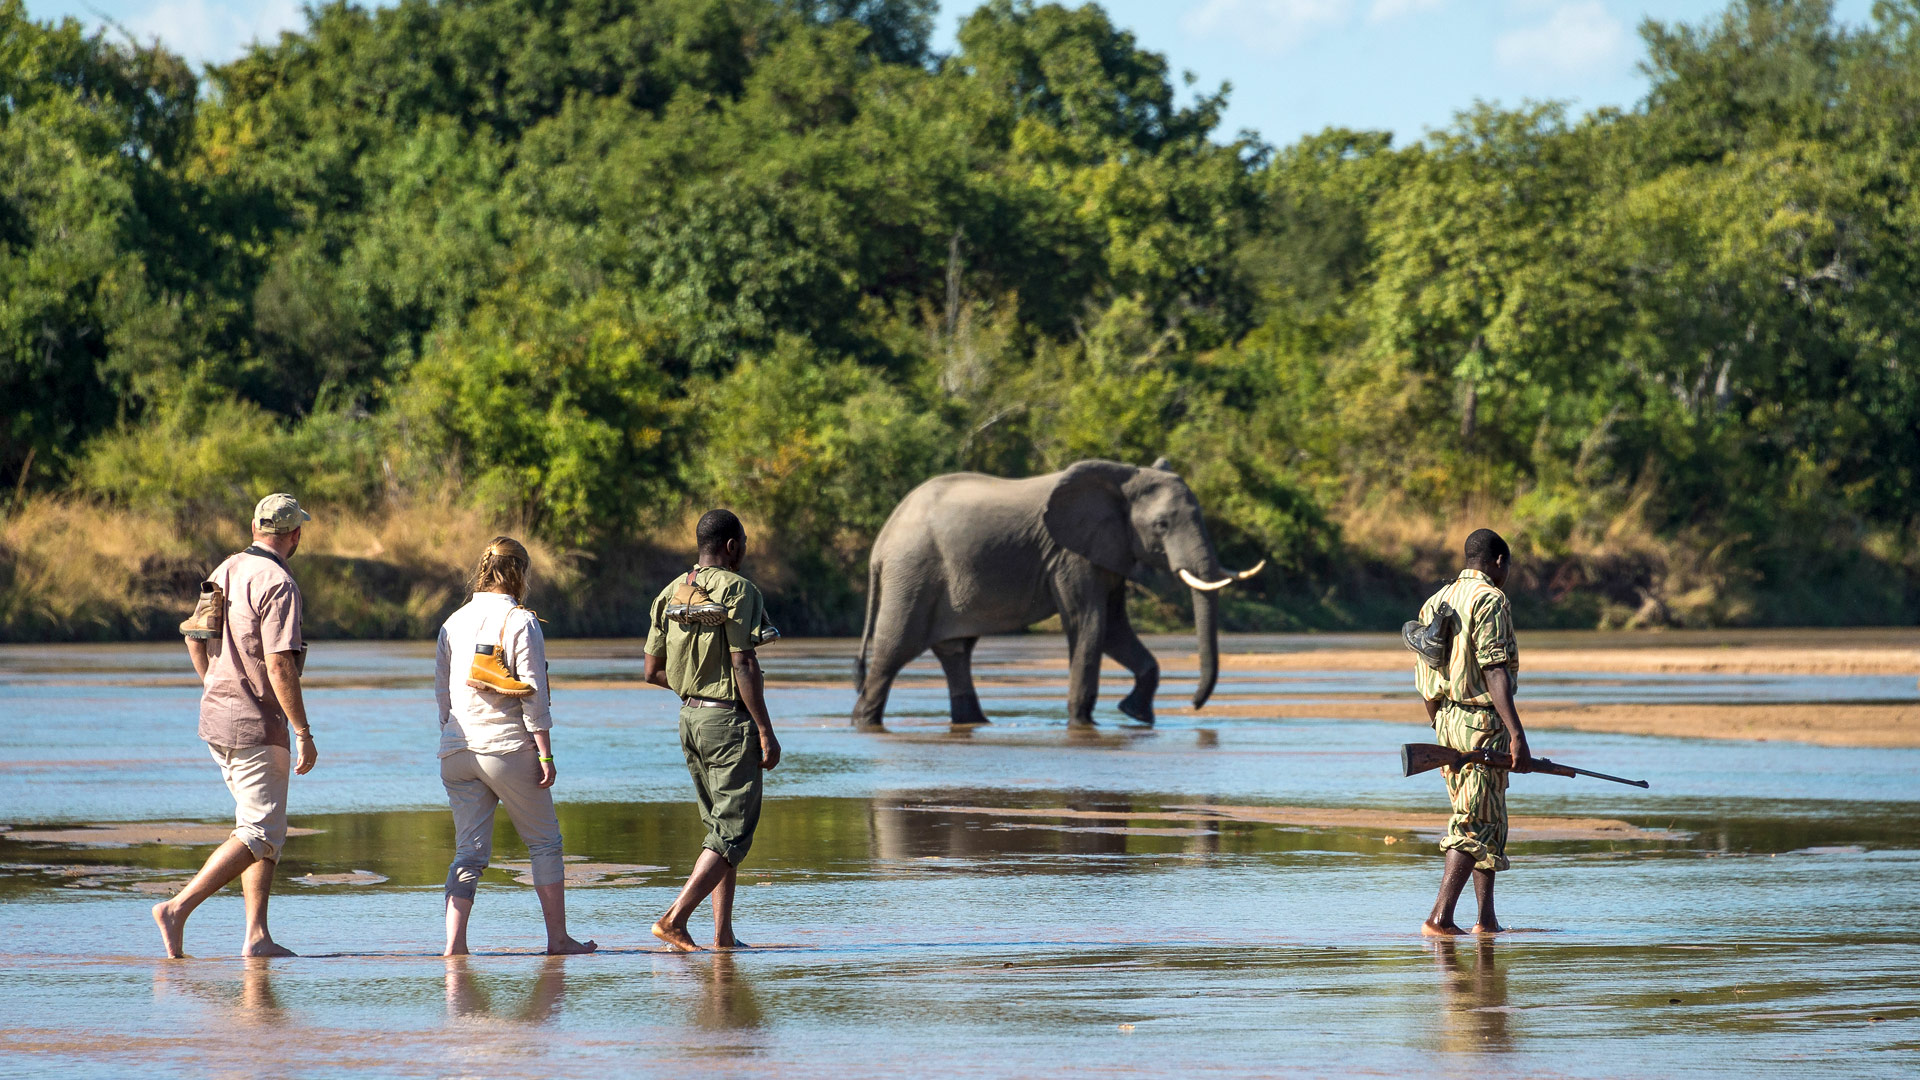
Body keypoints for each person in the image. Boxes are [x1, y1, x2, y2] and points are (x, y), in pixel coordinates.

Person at [154, 493, 318, 958]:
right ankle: (177, 908)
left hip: (217, 720)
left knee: (259, 827)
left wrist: (215, 683)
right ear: (295, 535)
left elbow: (195, 635)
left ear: (254, 527)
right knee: (261, 832)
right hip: (255, 725)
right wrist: (303, 731)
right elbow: (281, 663)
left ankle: (256, 936)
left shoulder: (225, 569)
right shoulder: (278, 582)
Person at [436, 537, 595, 956]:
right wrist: (545, 753)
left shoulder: (453, 621)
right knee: (545, 844)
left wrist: (452, 734)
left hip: (456, 748)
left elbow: (442, 695)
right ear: (520, 572)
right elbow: (532, 694)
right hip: (505, 747)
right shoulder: (521, 621)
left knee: (468, 854)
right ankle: (558, 940)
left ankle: (455, 947)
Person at [643, 509, 782, 951]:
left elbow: (652, 671)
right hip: (728, 722)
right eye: (743, 541)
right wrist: (764, 729)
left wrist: (693, 690)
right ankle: (674, 919)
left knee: (720, 828)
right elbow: (744, 661)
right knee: (733, 831)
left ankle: (723, 936)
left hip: (690, 720)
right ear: (731, 546)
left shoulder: (670, 592)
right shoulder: (741, 590)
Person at [1415, 528, 1531, 937]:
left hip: (1446, 722)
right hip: (1481, 723)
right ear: (1498, 561)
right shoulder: (1490, 599)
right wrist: (1516, 733)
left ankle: (1486, 920)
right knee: (1470, 822)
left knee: (1489, 819)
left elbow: (1425, 678)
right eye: (1508, 566)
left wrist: (1442, 726)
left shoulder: (1435, 602)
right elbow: (1494, 667)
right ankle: (1440, 918)